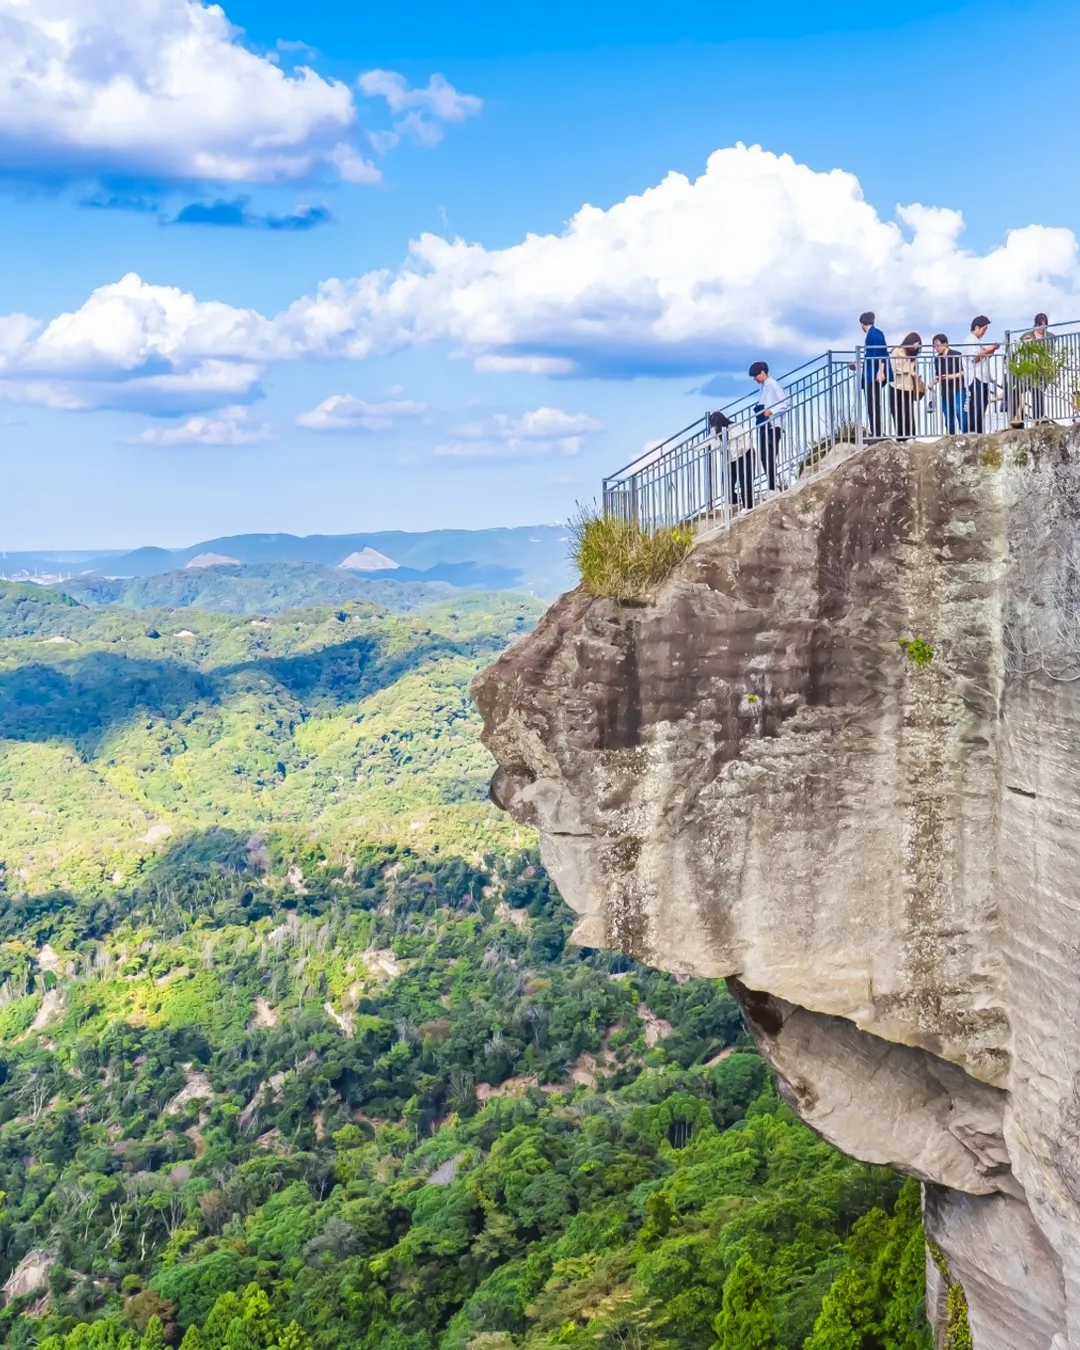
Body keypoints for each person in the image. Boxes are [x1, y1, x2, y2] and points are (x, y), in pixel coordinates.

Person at [749, 360, 788, 498]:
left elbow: (785, 403)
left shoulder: (773, 385)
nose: (755, 379)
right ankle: (772, 487)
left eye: (756, 376)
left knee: (769, 456)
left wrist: (771, 411)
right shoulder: (765, 387)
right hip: (765, 425)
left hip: (772, 426)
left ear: (762, 373)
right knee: (765, 456)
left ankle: (773, 488)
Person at [859, 311, 890, 438]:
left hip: (873, 375)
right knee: (872, 404)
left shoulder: (875, 333)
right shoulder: (873, 334)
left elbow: (881, 352)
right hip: (871, 374)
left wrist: (881, 370)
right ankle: (875, 431)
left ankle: (877, 432)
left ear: (862, 324)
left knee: (874, 404)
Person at [966, 315, 999, 433]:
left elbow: (984, 356)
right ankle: (973, 430)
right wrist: (988, 349)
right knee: (976, 406)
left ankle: (979, 430)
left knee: (983, 404)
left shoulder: (978, 341)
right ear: (976, 327)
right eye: (983, 329)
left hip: (983, 377)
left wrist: (992, 350)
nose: (984, 332)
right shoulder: (969, 340)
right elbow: (975, 358)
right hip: (975, 377)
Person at [889, 333, 923, 439]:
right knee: (896, 411)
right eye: (914, 345)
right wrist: (909, 371)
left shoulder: (914, 356)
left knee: (908, 411)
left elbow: (914, 369)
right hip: (896, 385)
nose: (915, 348)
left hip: (908, 386)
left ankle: (911, 435)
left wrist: (915, 374)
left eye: (917, 346)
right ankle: (900, 436)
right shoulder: (897, 351)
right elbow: (896, 368)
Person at [932, 334, 967, 434]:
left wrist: (951, 376)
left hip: (958, 387)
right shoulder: (937, 359)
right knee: (947, 414)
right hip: (945, 390)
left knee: (959, 410)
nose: (936, 348)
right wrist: (932, 383)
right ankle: (950, 435)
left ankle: (964, 433)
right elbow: (938, 375)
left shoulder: (956, 355)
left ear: (945, 343)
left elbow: (964, 372)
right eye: (934, 346)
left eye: (938, 345)